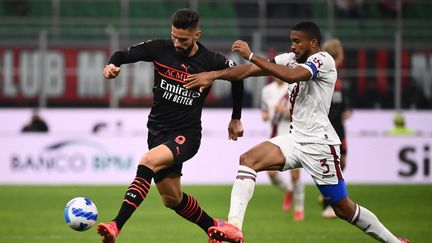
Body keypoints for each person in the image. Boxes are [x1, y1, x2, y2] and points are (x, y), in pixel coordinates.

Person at [185, 21, 409, 243]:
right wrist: (214, 75)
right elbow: (248, 71)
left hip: (320, 144)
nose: (293, 46)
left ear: (313, 43)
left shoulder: (323, 60)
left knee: (343, 209)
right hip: (295, 139)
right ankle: (234, 227)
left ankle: (394, 242)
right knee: (248, 159)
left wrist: (252, 54)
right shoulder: (290, 59)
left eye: (297, 41)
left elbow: (291, 76)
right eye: (291, 41)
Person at [97, 9, 245, 243]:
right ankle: (217, 227)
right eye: (174, 36)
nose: (177, 43)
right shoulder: (160, 48)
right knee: (172, 199)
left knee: (147, 161)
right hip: (157, 132)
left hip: (186, 136)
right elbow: (121, 54)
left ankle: (116, 225)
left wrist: (235, 117)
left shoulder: (210, 61)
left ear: (197, 34)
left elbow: (238, 75)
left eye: (183, 39)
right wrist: (112, 66)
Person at [260, 78, 304, 220]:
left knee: (295, 175)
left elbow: (301, 112)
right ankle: (288, 190)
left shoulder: (293, 87)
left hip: (292, 135)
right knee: (271, 174)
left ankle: (299, 210)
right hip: (275, 136)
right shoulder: (267, 90)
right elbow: (265, 111)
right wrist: (266, 115)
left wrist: (285, 111)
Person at [321, 37, 352, 218]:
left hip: (339, 129)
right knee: (331, 168)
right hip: (327, 130)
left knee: (342, 164)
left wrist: (345, 109)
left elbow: (341, 104)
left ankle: (330, 199)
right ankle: (329, 204)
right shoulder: (327, 77)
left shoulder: (338, 79)